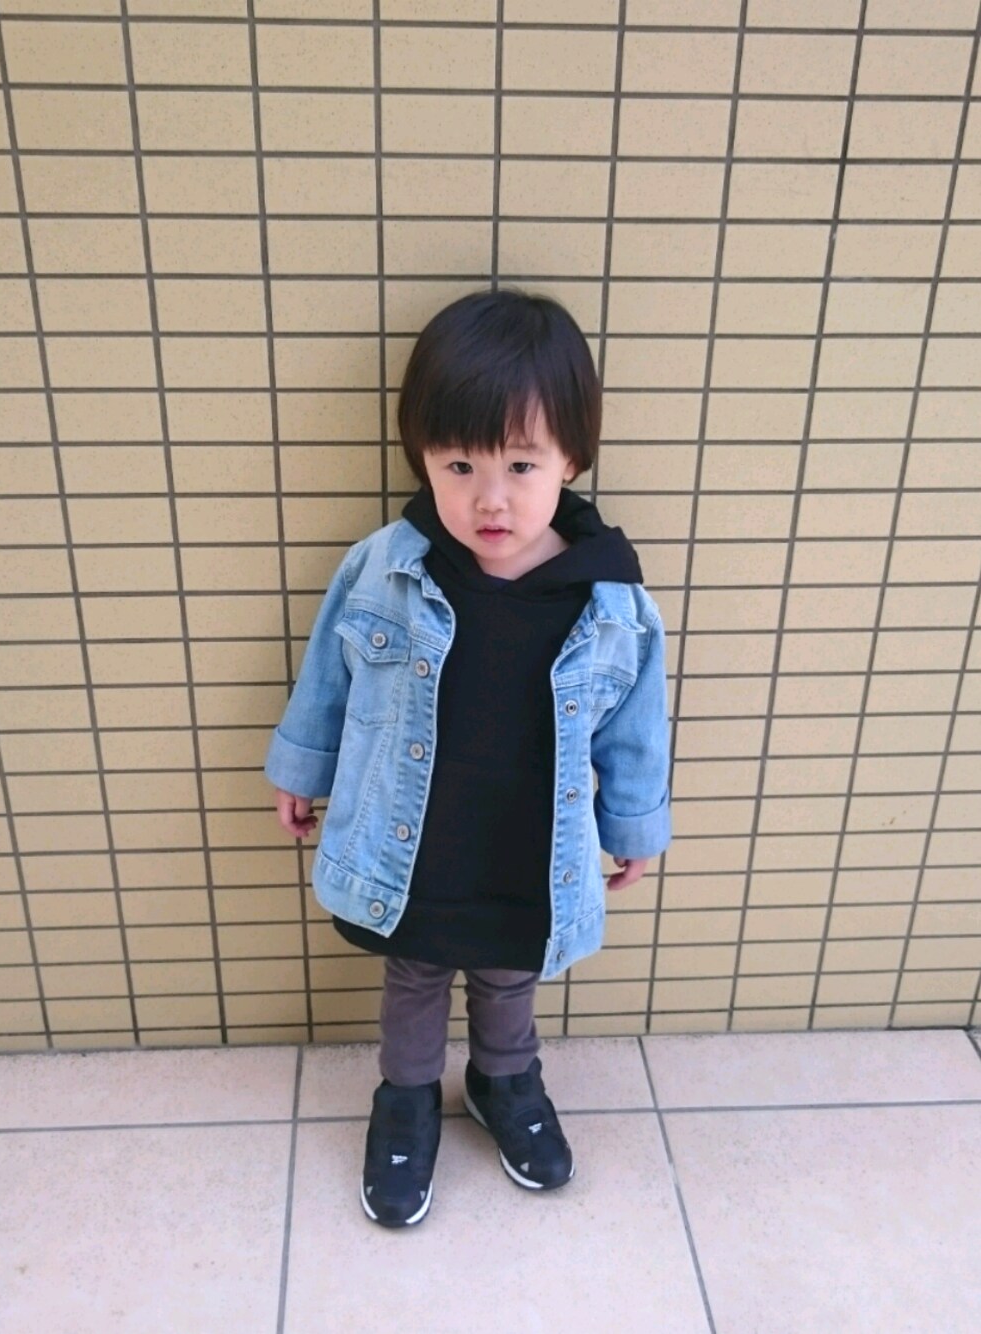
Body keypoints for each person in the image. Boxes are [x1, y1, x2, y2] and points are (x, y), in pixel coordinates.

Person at [264, 287, 673, 1228]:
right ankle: (406, 1100)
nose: (491, 498)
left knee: (506, 973)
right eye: (460, 465)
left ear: (571, 459)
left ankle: (505, 1082)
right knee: (413, 974)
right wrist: (301, 768)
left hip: (525, 845)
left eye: (522, 465)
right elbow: (329, 674)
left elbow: (636, 724)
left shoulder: (611, 599)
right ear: (423, 458)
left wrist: (633, 825)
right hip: (413, 842)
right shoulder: (387, 565)